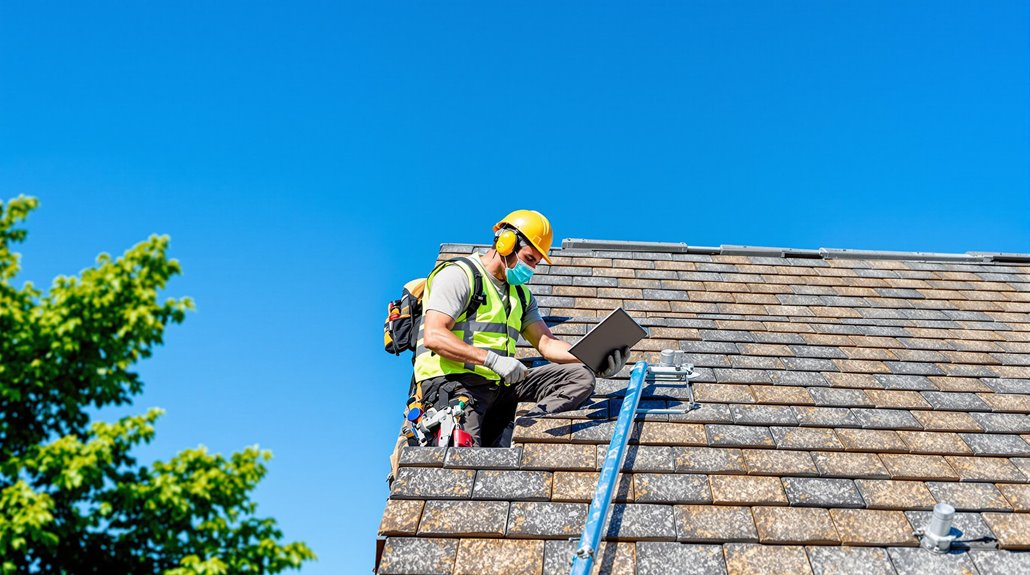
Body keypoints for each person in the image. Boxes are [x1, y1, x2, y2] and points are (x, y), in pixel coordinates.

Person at [413, 209, 629, 447]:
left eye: (536, 263)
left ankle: (523, 432)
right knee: (463, 462)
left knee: (579, 376)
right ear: (506, 243)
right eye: (529, 259)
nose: (531, 269)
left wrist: (592, 359)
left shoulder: (522, 296)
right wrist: (493, 360)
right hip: (455, 384)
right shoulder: (459, 274)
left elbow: (547, 344)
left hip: (499, 386)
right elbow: (434, 336)